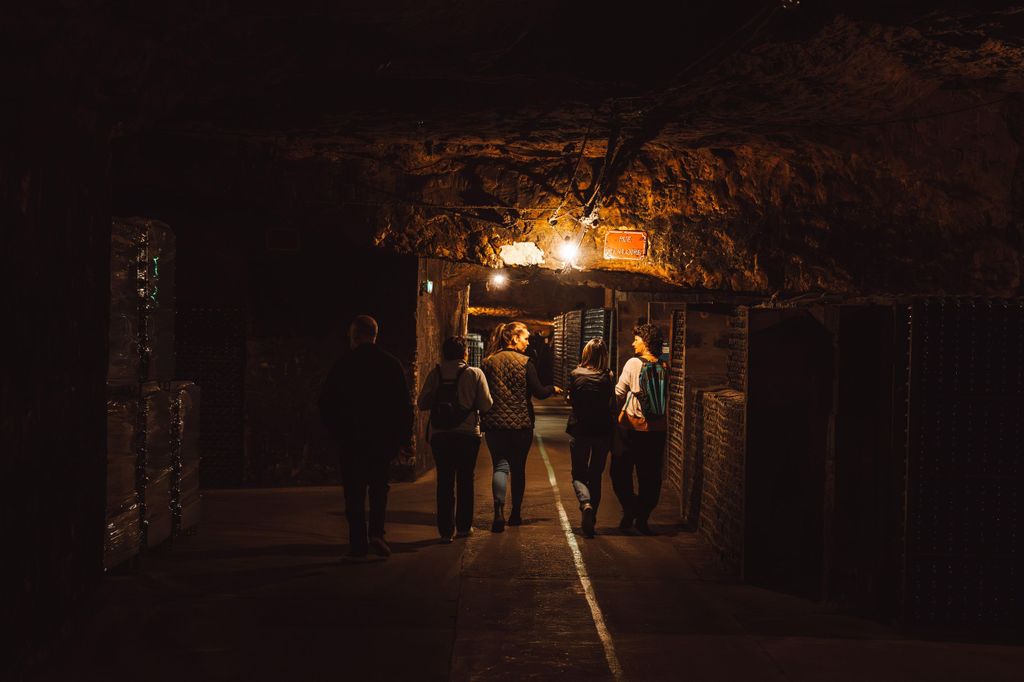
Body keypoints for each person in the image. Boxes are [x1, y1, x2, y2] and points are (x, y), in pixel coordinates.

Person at [319, 315, 413, 559]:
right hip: (382, 439)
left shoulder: (344, 364)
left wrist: (334, 432)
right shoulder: (391, 364)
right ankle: (377, 534)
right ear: (375, 334)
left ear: (357, 335)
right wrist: (403, 440)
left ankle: (358, 543)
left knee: (354, 492)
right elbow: (403, 405)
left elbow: (327, 402)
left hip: (351, 438)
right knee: (379, 488)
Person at [480, 321, 563, 532]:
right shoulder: (525, 362)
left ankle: (498, 511)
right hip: (520, 425)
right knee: (518, 470)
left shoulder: (488, 362)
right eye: (525, 338)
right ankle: (515, 514)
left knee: (500, 466)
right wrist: (552, 388)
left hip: (494, 425)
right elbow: (539, 392)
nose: (528, 342)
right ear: (514, 338)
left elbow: (483, 394)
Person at [417, 336, 493, 543]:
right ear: (465, 352)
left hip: (440, 435)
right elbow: (486, 404)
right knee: (466, 480)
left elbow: (421, 403)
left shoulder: (435, 373)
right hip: (467, 434)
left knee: (444, 481)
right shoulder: (475, 373)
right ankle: (463, 527)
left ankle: (444, 531)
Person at [611, 323, 668, 535]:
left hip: (630, 427)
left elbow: (618, 392)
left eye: (636, 339)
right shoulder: (664, 366)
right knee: (650, 476)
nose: (633, 342)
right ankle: (643, 517)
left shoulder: (633, 363)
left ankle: (630, 508)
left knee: (619, 472)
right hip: (656, 430)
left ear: (645, 342)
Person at [566, 337, 615, 538]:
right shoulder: (609, 376)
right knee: (596, 475)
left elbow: (571, 399)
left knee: (579, 474)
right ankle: (592, 518)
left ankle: (585, 503)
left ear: (586, 354)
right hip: (602, 432)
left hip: (580, 430)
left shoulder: (575, 374)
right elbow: (611, 401)